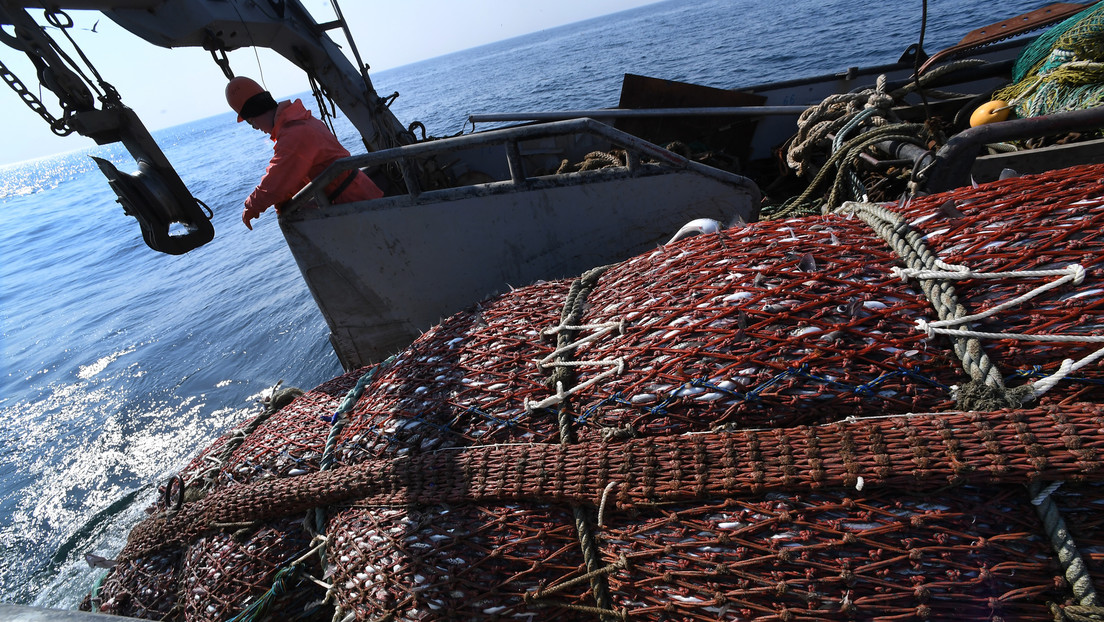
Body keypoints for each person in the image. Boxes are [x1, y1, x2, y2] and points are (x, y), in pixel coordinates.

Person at [225, 76, 384, 230]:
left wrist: (251, 206)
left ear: (256, 112)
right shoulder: (300, 121)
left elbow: (278, 178)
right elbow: (295, 174)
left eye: (251, 122)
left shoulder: (294, 134)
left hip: (357, 203)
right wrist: (282, 201)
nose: (255, 127)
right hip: (359, 199)